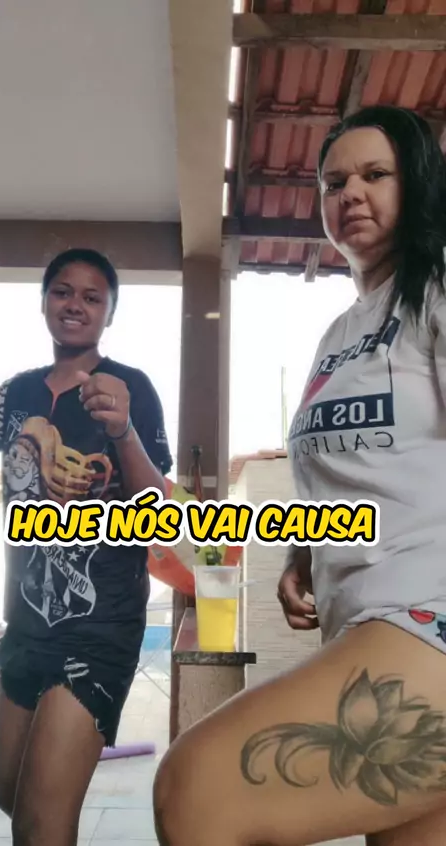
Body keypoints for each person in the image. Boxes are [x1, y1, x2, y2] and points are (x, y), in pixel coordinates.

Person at [152, 105, 446, 846]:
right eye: (334, 182)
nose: (351, 194)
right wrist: (303, 554)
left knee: (197, 789)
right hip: (362, 627)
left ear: (416, 183)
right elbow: (354, 471)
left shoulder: (438, 289)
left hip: (426, 617)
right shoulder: (340, 335)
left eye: (375, 175)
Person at [0, 247, 172, 846]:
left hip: (100, 624)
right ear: (43, 303)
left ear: (109, 313)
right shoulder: (16, 395)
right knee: (8, 789)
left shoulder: (131, 388)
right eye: (62, 291)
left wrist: (122, 430)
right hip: (26, 621)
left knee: (41, 823)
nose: (74, 304)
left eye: (91, 296)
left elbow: (160, 506)